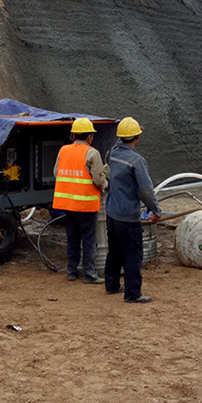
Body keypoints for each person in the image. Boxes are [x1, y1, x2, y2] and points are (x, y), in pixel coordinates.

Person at [104, 117, 162, 304]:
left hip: (112, 213)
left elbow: (117, 143)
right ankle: (133, 293)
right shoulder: (137, 161)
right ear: (137, 138)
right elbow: (146, 191)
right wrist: (156, 211)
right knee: (133, 254)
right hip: (128, 217)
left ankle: (111, 285)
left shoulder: (113, 154)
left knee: (114, 251)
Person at [52, 117, 108, 284]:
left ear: (73, 135)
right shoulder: (92, 153)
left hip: (68, 204)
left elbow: (57, 173)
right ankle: (90, 274)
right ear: (90, 136)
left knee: (72, 238)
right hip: (86, 204)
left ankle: (72, 271)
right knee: (89, 240)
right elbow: (98, 179)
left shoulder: (63, 150)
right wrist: (106, 185)